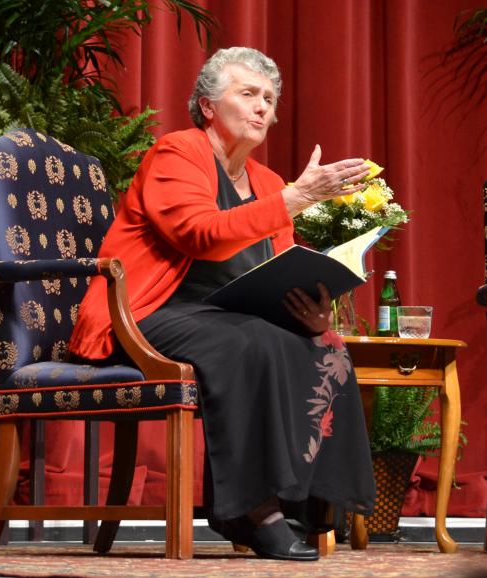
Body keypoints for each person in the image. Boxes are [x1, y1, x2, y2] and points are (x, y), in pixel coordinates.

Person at [69, 47, 375, 561]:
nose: (262, 108)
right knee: (249, 344)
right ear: (208, 106)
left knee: (326, 348)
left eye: (270, 100)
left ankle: (306, 500)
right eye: (248, 94)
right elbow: (198, 235)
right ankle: (252, 510)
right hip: (150, 312)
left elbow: (279, 269)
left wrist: (314, 312)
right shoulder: (177, 153)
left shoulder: (270, 183)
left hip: (228, 315)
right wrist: (299, 198)